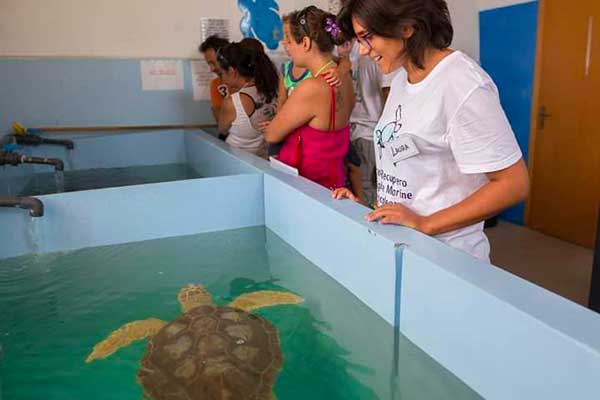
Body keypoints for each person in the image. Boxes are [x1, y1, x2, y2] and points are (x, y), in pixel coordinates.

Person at [333, 0, 529, 261]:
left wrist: (426, 223)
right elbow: (413, 174)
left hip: (447, 258)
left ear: (407, 26)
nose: (364, 50)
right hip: (406, 248)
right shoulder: (403, 78)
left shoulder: (462, 83)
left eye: (367, 37)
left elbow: (514, 184)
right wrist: (369, 210)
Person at [263, 6, 355, 190]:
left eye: (290, 41)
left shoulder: (311, 87)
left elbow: (271, 135)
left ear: (305, 43)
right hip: (333, 180)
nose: (286, 46)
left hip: (309, 184)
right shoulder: (342, 77)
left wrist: (277, 124)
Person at [217, 42, 279, 158]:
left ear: (232, 71)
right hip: (263, 161)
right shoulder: (273, 90)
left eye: (222, 73)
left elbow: (222, 130)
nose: (222, 79)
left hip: (235, 162)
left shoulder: (233, 102)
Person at [199, 35, 230, 123]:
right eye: (209, 64)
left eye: (213, 63)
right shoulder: (216, 84)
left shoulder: (247, 80)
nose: (212, 69)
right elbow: (220, 121)